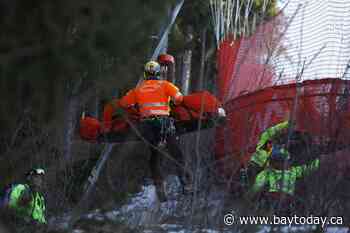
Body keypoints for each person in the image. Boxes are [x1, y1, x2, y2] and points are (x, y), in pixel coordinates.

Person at [118, 60, 186, 201]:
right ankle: (187, 185)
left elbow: (123, 103)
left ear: (145, 74)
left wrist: (136, 105)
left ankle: (161, 192)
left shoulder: (138, 89)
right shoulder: (166, 85)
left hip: (147, 126)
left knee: (154, 158)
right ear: (159, 73)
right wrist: (172, 101)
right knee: (176, 154)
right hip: (164, 123)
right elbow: (179, 98)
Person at [247, 145, 320, 215]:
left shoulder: (293, 171)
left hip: (289, 200)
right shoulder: (268, 173)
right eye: (278, 160)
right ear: (273, 161)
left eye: (284, 160)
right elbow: (257, 186)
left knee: (300, 205)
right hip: (273, 199)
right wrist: (250, 195)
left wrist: (319, 161)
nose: (282, 163)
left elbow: (308, 168)